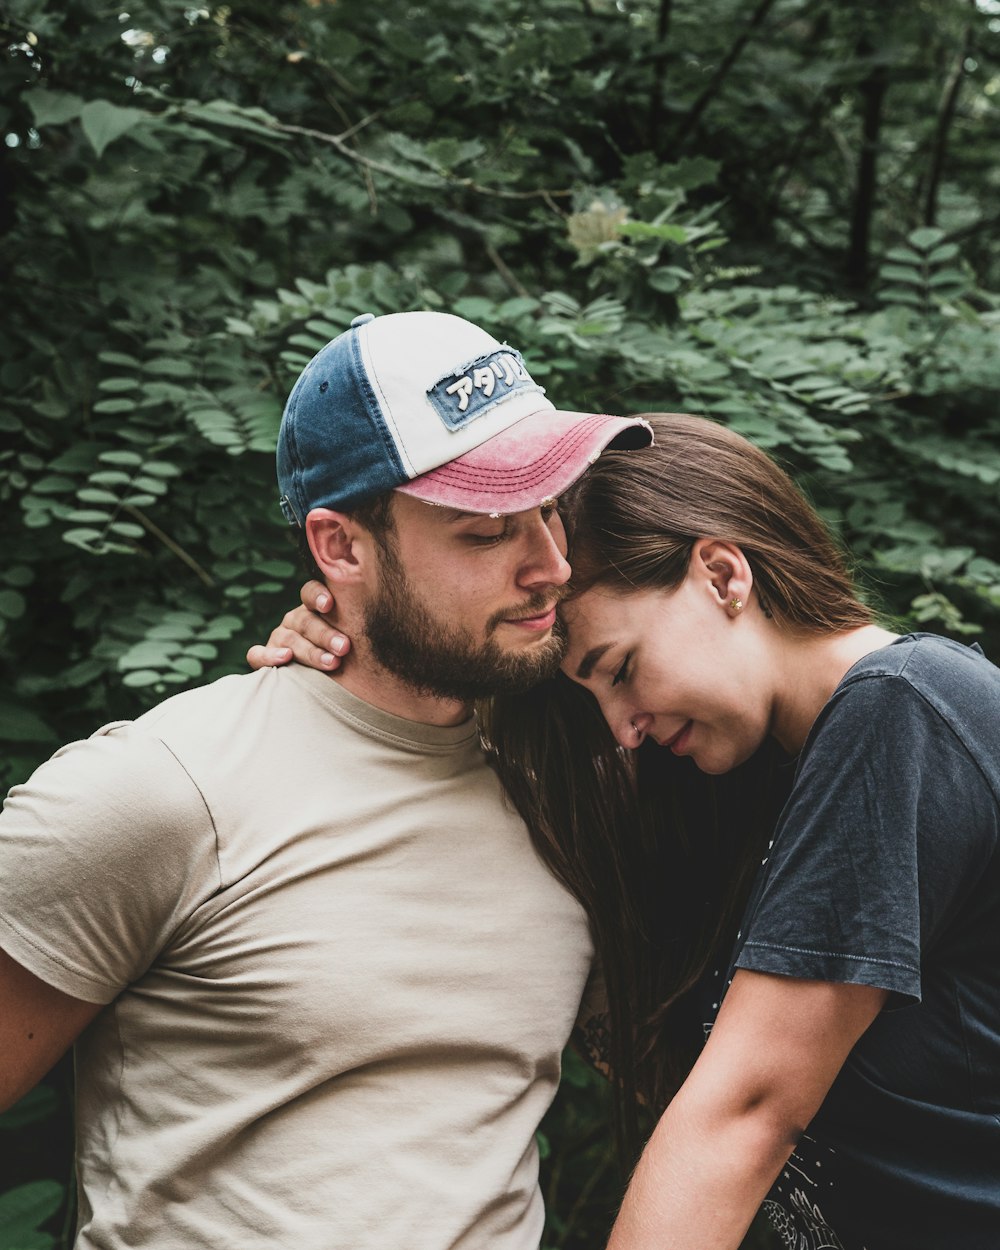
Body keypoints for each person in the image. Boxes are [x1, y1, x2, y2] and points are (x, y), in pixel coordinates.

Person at [259, 413, 1000, 1250]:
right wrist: (371, 655)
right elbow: (652, 1054)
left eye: (619, 670)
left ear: (722, 574)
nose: (622, 727)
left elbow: (744, 1113)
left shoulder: (905, 711)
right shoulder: (754, 783)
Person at [0, 309, 652, 1250]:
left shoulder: (566, 796)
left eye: (552, 509)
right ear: (340, 548)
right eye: (486, 533)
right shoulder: (164, 791)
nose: (551, 564)